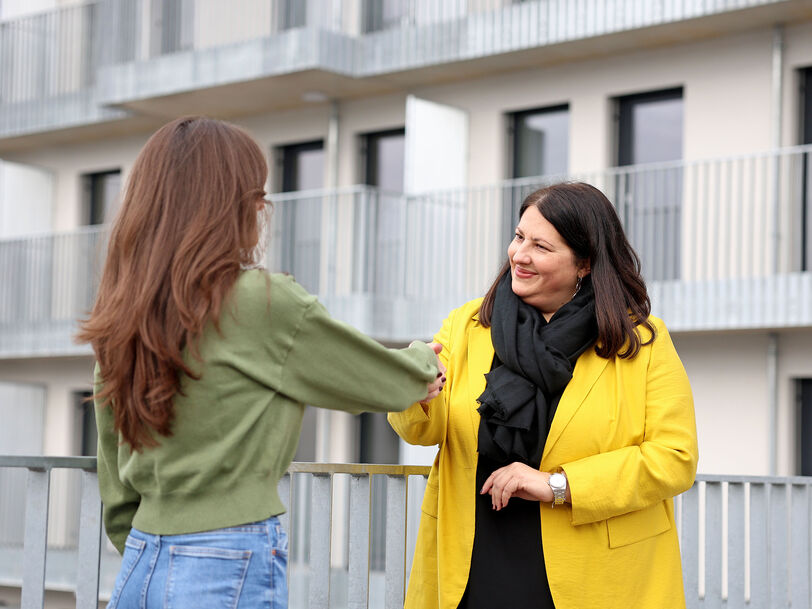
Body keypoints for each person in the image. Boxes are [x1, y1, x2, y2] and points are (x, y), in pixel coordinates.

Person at [77, 116, 444, 609]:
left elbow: (113, 470)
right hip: (225, 556)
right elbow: (388, 381)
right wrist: (425, 362)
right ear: (234, 204)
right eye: (256, 194)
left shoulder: (124, 309)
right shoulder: (258, 301)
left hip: (142, 559)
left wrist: (149, 541)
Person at [389, 182, 698, 609]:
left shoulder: (640, 340)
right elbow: (423, 431)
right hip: (474, 562)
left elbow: (674, 458)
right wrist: (415, 389)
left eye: (540, 246)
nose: (519, 254)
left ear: (584, 263)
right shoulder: (469, 324)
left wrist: (559, 485)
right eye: (518, 237)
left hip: (597, 574)